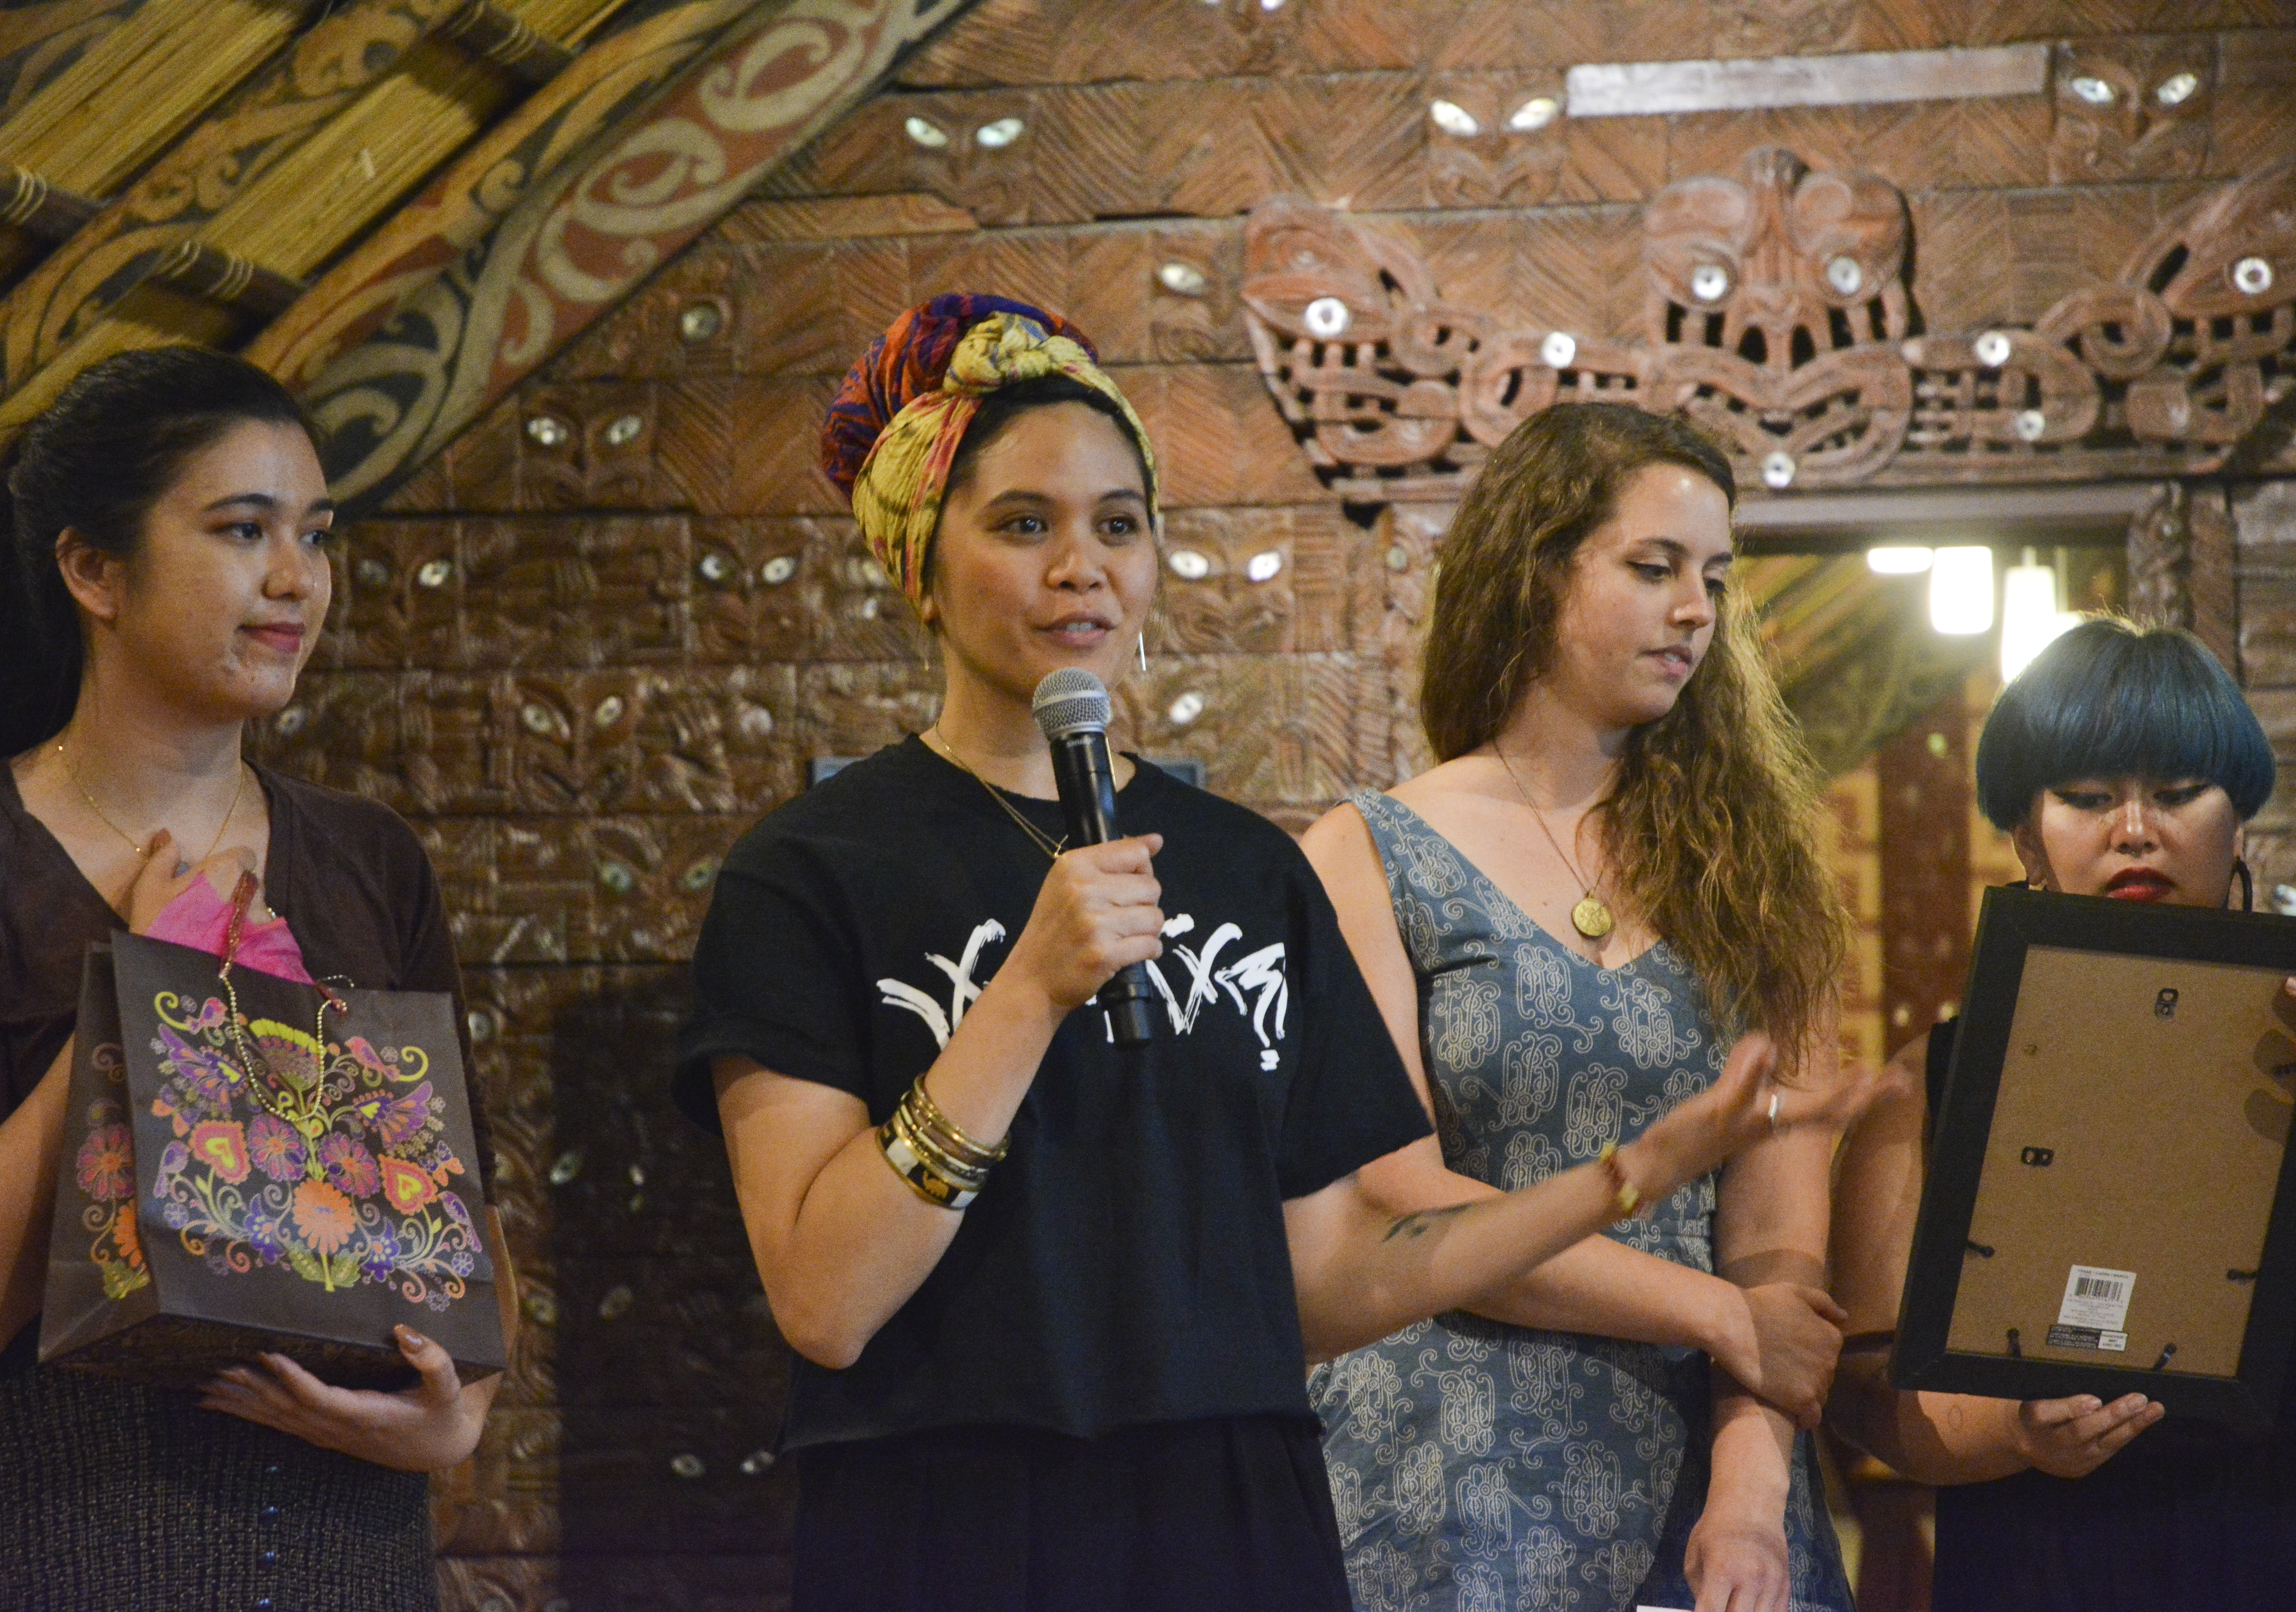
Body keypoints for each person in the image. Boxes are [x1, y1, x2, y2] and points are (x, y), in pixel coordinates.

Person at [673, 297, 1874, 1612]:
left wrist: (1624, 1176)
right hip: (951, 1512)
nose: (1084, 568)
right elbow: (826, 1301)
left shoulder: (1247, 868)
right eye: (1026, 525)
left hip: (1236, 1518)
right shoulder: (810, 871)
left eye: (1119, 525)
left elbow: (1339, 1278)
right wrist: (1027, 993)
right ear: (921, 558)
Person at [0, 347, 507, 1609]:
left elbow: (461, 1223)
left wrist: (458, 1419)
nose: (296, 581)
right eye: (242, 530)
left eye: (315, 536)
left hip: (354, 1551)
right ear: (93, 570)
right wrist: (152, 982)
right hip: (49, 1549)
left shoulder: (371, 855)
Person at [1302, 403, 1858, 1612]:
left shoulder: (1755, 863)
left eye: (1714, 576)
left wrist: (1751, 1493)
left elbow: (1778, 1254)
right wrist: (1716, 1313)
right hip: (1448, 1489)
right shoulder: (1367, 850)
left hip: (1714, 1494)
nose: (1696, 610)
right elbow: (1399, 1202)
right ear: (1533, 574)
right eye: (1652, 568)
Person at [1830, 615, 2296, 1611]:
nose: (2137, 828)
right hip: (2043, 1561)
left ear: (2239, 818)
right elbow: (1862, 1390)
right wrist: (2012, 1434)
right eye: (2087, 798)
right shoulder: (1925, 1084)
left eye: (2177, 793)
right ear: (2023, 836)